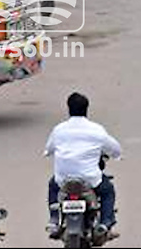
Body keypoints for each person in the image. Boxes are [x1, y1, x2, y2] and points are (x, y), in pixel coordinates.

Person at [45, 92, 122, 241]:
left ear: (69, 109)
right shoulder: (97, 130)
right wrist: (115, 156)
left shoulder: (59, 130)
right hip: (89, 179)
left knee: (52, 186)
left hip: (64, 180)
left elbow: (48, 150)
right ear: (87, 109)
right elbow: (116, 150)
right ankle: (105, 223)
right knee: (108, 191)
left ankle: (54, 219)